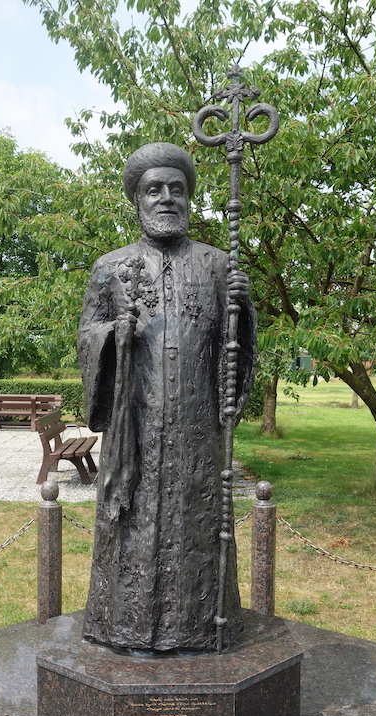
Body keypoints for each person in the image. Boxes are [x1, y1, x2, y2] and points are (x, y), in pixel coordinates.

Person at [78, 142, 256, 653]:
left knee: (198, 528)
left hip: (198, 431)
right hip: (136, 430)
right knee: (134, 528)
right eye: (154, 189)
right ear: (136, 199)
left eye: (176, 190)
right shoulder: (110, 267)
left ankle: (202, 629)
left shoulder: (219, 265)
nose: (166, 199)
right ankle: (124, 629)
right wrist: (116, 333)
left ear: (189, 199)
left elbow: (237, 355)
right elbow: (86, 338)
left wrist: (241, 312)